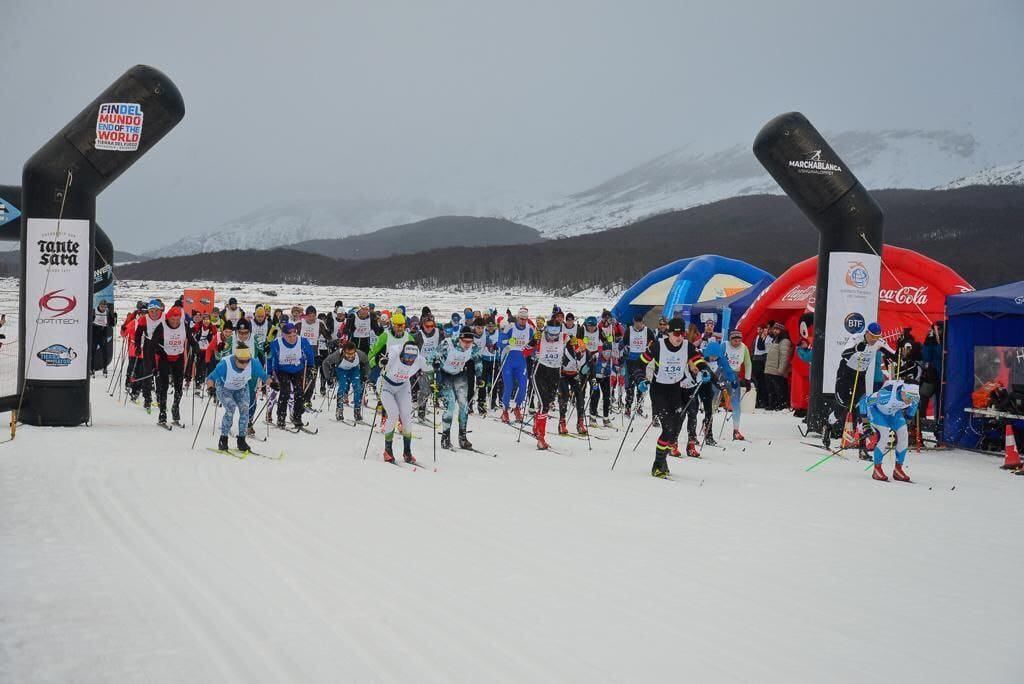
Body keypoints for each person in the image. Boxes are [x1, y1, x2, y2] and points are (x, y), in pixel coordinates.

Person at [824, 321, 897, 448]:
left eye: (877, 337)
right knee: (844, 405)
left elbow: (894, 355)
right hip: (846, 374)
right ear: (867, 333)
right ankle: (828, 426)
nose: (874, 340)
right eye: (872, 337)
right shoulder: (856, 338)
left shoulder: (879, 342)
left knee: (860, 406)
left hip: (860, 376)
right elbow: (844, 354)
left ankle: (862, 444)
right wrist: (856, 348)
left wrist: (901, 349)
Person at [637, 317, 691, 477]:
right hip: (659, 390)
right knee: (667, 428)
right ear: (668, 333)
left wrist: (706, 374)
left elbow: (700, 362)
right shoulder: (658, 346)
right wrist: (641, 379)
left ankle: (663, 461)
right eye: (676, 334)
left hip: (675, 391)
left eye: (682, 334)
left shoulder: (687, 346)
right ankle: (657, 465)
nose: (679, 337)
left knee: (675, 431)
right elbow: (639, 364)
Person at [206, 343, 268, 454]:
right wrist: (210, 387)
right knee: (231, 407)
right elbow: (211, 377)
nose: (245, 364)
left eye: (247, 361)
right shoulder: (225, 364)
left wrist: (272, 384)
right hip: (224, 387)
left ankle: (241, 440)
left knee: (245, 409)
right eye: (241, 361)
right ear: (235, 358)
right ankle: (223, 439)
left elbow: (263, 376)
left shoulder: (253, 363)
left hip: (241, 387)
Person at [858, 379, 920, 482]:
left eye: (913, 397)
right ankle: (877, 469)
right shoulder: (886, 395)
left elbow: (913, 408)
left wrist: (906, 422)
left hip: (893, 413)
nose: (910, 400)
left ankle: (898, 469)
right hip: (877, 412)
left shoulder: (915, 397)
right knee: (884, 434)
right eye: (909, 396)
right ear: (903, 391)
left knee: (904, 434)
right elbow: (863, 400)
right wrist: (866, 424)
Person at [145, 305, 195, 427]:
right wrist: (153, 366)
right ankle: (162, 415)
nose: (175, 322)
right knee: (164, 387)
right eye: (173, 319)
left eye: (177, 320)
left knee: (178, 387)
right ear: (168, 318)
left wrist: (197, 348)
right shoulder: (161, 327)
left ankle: (175, 409)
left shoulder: (184, 326)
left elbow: (192, 340)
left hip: (178, 359)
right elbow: (151, 347)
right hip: (164, 358)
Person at [378, 342, 427, 463]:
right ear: (402, 354)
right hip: (386, 385)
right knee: (393, 414)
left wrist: (435, 366)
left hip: (403, 386)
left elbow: (429, 368)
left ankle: (407, 451)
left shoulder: (419, 359)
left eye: (412, 357)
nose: (410, 360)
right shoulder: (395, 353)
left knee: (406, 416)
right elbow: (381, 363)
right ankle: (388, 450)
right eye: (407, 357)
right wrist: (382, 362)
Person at [435, 326, 483, 449]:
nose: (467, 345)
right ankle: (445, 437)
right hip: (445, 375)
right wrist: (434, 369)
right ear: (460, 338)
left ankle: (462, 437)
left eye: (470, 341)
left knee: (464, 406)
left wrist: (480, 376)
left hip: (460, 375)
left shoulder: (473, 347)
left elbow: (478, 361)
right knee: (450, 406)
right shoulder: (448, 343)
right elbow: (434, 356)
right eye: (465, 341)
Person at [267, 322, 316, 429]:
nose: (292, 338)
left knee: (299, 392)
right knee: (285, 391)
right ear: (283, 335)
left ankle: (297, 417)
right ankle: (281, 417)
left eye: (294, 336)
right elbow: (270, 358)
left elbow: (310, 354)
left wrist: (311, 367)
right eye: (289, 336)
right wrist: (269, 374)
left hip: (297, 369)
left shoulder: (302, 341)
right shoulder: (276, 343)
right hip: (282, 370)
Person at [531, 322, 568, 450]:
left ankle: (536, 424)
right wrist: (533, 343)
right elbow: (525, 351)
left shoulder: (564, 337)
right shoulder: (540, 336)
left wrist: (577, 346)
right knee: (545, 404)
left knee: (547, 404)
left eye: (555, 335)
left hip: (554, 374)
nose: (552, 338)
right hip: (540, 373)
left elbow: (575, 350)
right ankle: (541, 438)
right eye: (550, 335)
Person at [498, 307, 535, 424]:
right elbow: (500, 342)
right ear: (517, 318)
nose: (523, 321)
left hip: (521, 361)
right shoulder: (510, 327)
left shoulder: (530, 330)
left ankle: (517, 408)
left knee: (524, 386)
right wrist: (508, 343)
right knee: (508, 387)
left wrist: (535, 353)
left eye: (525, 319)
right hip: (508, 361)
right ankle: (504, 410)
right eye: (521, 318)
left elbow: (533, 345)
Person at [131, 299, 165, 410]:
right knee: (147, 373)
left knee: (160, 373)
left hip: (161, 346)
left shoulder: (165, 318)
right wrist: (137, 347)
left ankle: (160, 398)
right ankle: (147, 398)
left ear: (160, 310)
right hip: (148, 346)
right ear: (148, 311)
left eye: (156, 310)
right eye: (151, 311)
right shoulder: (143, 320)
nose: (154, 313)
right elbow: (138, 334)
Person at [322, 341, 368, 422]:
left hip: (354, 369)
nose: (350, 356)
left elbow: (366, 362)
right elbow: (325, 363)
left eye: (352, 353)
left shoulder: (360, 354)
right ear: (343, 351)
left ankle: (357, 410)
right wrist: (328, 378)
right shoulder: (337, 355)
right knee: (343, 385)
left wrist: (366, 375)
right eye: (348, 354)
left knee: (357, 386)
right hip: (341, 369)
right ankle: (339, 410)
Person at [621, 313, 655, 417]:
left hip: (643, 361)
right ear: (634, 322)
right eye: (636, 322)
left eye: (640, 322)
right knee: (630, 386)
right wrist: (622, 348)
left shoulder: (647, 331)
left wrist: (650, 350)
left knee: (641, 383)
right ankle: (628, 407)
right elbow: (624, 342)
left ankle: (639, 406)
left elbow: (653, 343)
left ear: (642, 322)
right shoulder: (629, 330)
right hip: (631, 360)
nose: (638, 325)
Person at [412, 313, 444, 421]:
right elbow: (413, 351)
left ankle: (429, 406)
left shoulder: (439, 333)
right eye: (427, 326)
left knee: (435, 387)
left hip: (434, 364)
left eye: (432, 326)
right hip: (421, 365)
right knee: (424, 389)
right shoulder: (418, 336)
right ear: (423, 326)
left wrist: (438, 359)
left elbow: (443, 347)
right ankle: (421, 412)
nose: (430, 328)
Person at [723, 330, 753, 440]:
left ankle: (736, 430)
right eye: (735, 340)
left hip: (734, 376)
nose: (737, 342)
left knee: (736, 404)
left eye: (739, 340)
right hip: (722, 374)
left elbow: (748, 363)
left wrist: (747, 379)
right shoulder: (724, 345)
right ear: (730, 339)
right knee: (714, 402)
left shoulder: (743, 348)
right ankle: (707, 425)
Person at [558, 337, 589, 435]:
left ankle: (580, 422)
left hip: (574, 374)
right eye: (580, 350)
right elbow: (567, 345)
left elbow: (590, 364)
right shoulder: (568, 352)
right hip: (563, 374)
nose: (582, 352)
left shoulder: (586, 353)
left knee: (580, 396)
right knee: (565, 395)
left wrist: (590, 375)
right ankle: (562, 422)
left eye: (583, 350)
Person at [763, 322, 792, 411]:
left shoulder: (785, 341)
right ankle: (773, 404)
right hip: (770, 369)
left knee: (779, 389)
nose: (775, 331)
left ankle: (781, 404)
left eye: (777, 329)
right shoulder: (776, 340)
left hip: (777, 371)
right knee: (771, 389)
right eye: (774, 329)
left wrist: (781, 370)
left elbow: (784, 357)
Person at [474, 317, 500, 414]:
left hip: (494, 360)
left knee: (493, 382)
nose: (490, 328)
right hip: (484, 360)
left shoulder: (498, 332)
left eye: (492, 325)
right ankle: (481, 402)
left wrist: (496, 346)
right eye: (488, 326)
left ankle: (493, 401)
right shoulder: (484, 333)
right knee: (483, 382)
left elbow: (498, 344)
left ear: (494, 325)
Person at [91, 299, 116, 377]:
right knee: (93, 352)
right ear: (99, 305)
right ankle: (92, 368)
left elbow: (112, 324)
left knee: (104, 352)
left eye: (104, 307)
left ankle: (105, 368)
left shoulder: (107, 312)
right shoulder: (94, 311)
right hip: (94, 334)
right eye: (102, 306)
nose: (103, 308)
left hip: (103, 334)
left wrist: (114, 317)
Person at [752, 322, 771, 409]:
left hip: (761, 360)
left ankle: (763, 401)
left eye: (760, 329)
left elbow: (761, 347)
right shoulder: (757, 337)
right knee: (757, 382)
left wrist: (763, 337)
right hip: (756, 360)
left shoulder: (766, 338)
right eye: (758, 329)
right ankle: (758, 400)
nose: (758, 331)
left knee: (762, 383)